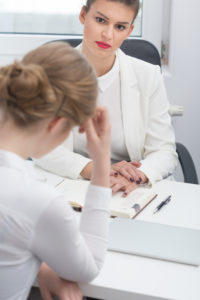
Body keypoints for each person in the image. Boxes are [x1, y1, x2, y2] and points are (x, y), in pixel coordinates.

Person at [0, 41, 111, 300]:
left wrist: (40, 263)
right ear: (57, 124)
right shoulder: (38, 201)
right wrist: (102, 163)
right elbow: (89, 265)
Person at [36, 0, 177, 197]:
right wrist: (96, 169)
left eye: (120, 26)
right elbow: (40, 146)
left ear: (129, 31)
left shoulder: (147, 76)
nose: (108, 35)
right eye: (101, 20)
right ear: (83, 16)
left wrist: (137, 175)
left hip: (129, 190)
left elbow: (164, 151)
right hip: (72, 184)